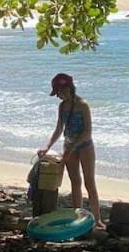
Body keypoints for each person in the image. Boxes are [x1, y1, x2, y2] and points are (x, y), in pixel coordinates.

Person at [38, 73, 102, 227]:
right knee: (75, 182)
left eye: (59, 92)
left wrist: (73, 147)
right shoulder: (62, 106)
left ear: (67, 88)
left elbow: (87, 132)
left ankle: (98, 219)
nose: (58, 96)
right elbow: (59, 129)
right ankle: (78, 216)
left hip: (84, 147)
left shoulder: (83, 105)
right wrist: (47, 146)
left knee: (89, 183)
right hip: (68, 146)